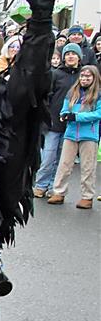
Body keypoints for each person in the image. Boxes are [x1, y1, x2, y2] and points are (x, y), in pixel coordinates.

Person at [35, 43, 84, 197]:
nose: (70, 56)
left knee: (63, 160)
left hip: (73, 123)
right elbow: (46, 96)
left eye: (73, 54)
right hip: (54, 121)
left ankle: (53, 187)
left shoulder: (83, 75)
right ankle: (41, 184)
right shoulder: (55, 74)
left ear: (79, 57)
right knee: (48, 156)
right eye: (67, 54)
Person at [47, 65, 100, 208]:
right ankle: (58, 192)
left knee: (88, 167)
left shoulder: (98, 94)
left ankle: (87, 197)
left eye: (88, 76)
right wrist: (64, 116)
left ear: (94, 78)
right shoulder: (72, 93)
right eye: (82, 76)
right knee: (64, 164)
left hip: (89, 134)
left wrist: (76, 117)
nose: (84, 79)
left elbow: (97, 114)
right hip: (70, 133)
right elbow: (64, 109)